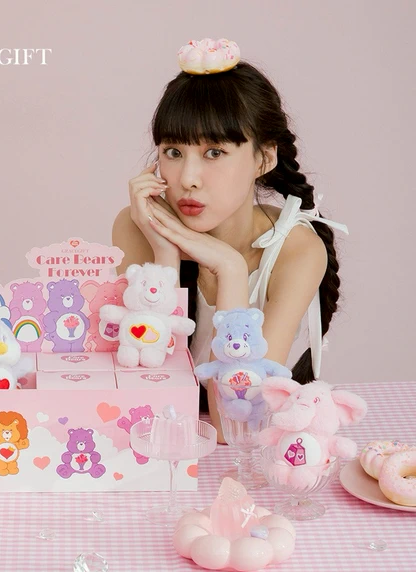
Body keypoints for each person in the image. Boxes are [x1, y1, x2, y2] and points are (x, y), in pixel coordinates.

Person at [112, 39, 349, 438]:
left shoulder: (295, 250)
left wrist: (231, 269)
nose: (188, 179)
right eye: (173, 152)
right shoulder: (139, 226)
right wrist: (164, 255)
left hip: (243, 456)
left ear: (264, 158)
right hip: (168, 448)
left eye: (214, 153)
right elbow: (146, 399)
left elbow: (236, 425)